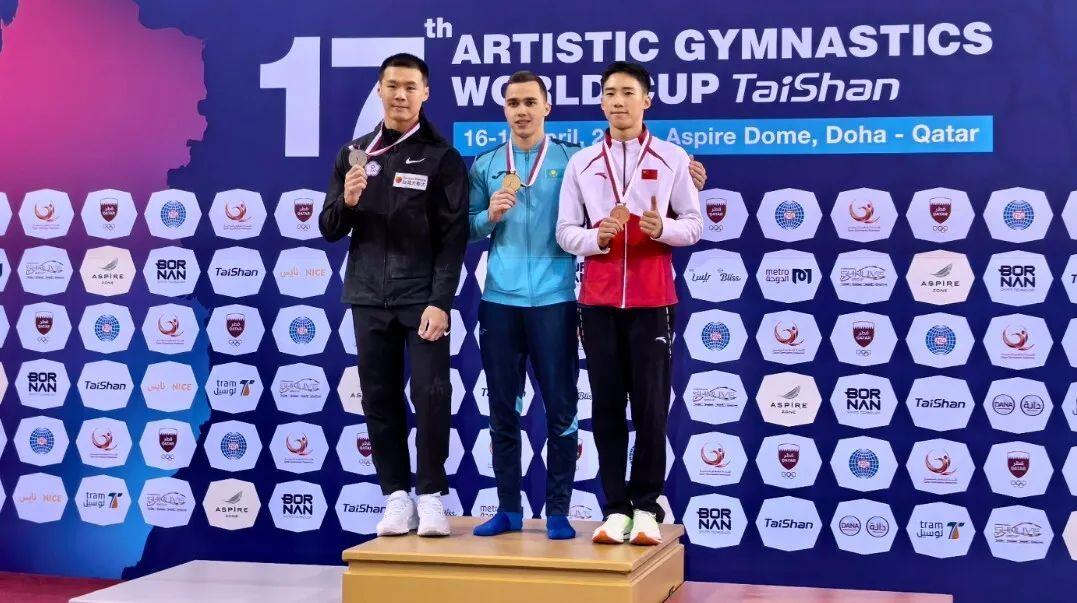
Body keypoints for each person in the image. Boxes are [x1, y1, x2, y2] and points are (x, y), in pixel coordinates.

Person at [320, 53, 468, 538]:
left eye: (410, 87)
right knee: (379, 398)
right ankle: (396, 496)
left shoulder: (443, 158)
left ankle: (431, 496)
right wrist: (349, 200)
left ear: (425, 93)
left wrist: (441, 301)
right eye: (392, 86)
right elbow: (329, 227)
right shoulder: (354, 154)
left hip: (421, 298)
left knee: (430, 395)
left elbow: (453, 238)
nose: (400, 95)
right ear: (379, 90)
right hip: (367, 296)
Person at [556, 61, 703, 546]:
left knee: (651, 408)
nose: (617, 101)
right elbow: (565, 233)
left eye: (627, 92)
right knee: (605, 407)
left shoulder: (672, 157)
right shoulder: (582, 163)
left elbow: (694, 224)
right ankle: (615, 507)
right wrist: (597, 238)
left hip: (652, 300)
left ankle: (646, 506)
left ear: (647, 100)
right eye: (609, 93)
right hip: (598, 302)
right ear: (601, 102)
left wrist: (665, 229)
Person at [467, 71, 582, 540]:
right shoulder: (487, 163)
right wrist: (488, 216)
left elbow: (607, 207)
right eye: (513, 103)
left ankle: (558, 511)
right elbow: (464, 227)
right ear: (504, 110)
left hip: (556, 300)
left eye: (530, 102)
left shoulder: (573, 159)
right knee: (502, 409)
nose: (522, 111)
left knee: (561, 407)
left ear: (546, 107)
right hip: (500, 302)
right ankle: (509, 509)